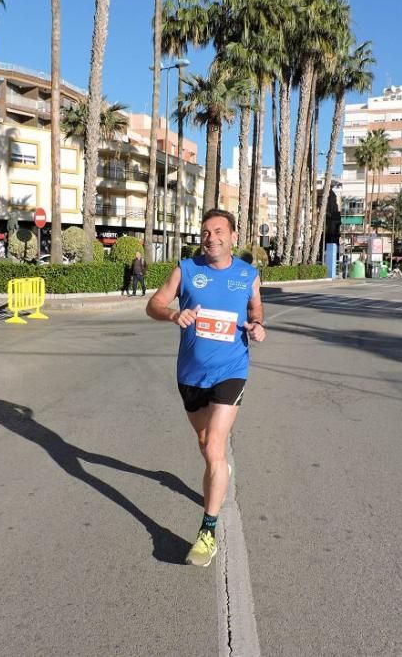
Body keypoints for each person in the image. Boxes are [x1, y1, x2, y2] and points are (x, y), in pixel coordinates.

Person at [146, 209, 266, 567]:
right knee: (206, 445)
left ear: (232, 236)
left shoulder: (248, 275)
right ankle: (217, 477)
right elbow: (153, 304)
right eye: (205, 232)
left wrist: (258, 326)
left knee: (215, 446)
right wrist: (172, 314)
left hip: (231, 371)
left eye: (218, 231)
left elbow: (256, 309)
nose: (211, 237)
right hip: (190, 376)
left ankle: (207, 531)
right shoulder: (187, 270)